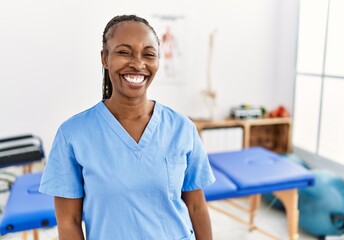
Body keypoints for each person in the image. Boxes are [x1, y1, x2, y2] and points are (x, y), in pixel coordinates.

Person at [39, 14, 215, 240]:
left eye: (149, 54)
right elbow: (68, 222)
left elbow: (196, 208)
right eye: (124, 52)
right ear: (105, 58)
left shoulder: (182, 129)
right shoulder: (73, 134)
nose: (138, 63)